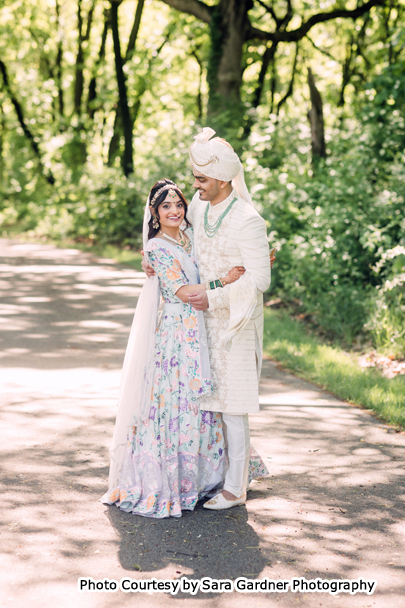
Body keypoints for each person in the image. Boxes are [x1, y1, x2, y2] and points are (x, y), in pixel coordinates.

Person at [102, 179, 254, 518]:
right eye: (166, 206)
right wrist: (224, 281)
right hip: (175, 334)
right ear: (155, 213)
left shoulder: (188, 237)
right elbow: (183, 292)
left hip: (201, 326)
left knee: (203, 399)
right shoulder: (157, 248)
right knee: (177, 398)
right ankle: (173, 480)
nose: (174, 211)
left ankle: (205, 479)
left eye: (179, 205)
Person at [142, 128, 272, 510]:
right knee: (207, 404)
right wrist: (151, 260)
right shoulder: (199, 207)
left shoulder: (249, 220)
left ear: (220, 179)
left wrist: (213, 295)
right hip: (198, 325)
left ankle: (235, 488)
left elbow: (260, 278)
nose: (193, 185)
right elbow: (175, 239)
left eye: (200, 179)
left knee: (233, 405)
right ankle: (211, 476)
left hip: (234, 322)